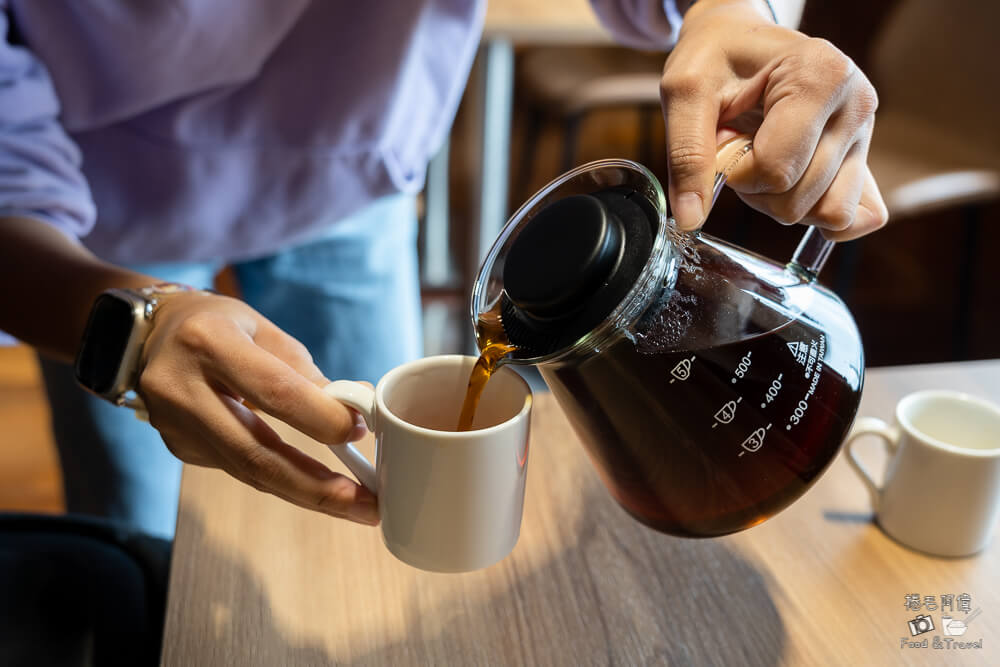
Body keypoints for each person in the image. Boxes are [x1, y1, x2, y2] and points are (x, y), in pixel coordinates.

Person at [0, 0, 888, 540]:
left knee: (379, 501)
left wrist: (732, 16)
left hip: (357, 173)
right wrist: (125, 325)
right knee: (143, 530)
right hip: (102, 227)